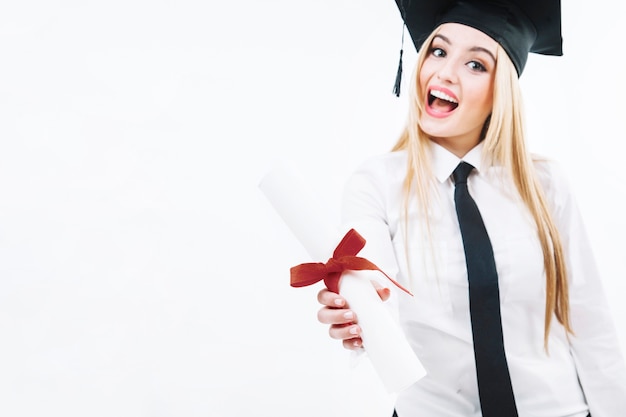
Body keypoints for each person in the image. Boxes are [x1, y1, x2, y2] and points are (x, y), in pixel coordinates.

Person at [315, 0, 626, 416]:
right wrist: (359, 315)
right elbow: (376, 289)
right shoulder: (377, 184)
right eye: (439, 51)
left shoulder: (545, 186)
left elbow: (590, 326)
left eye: (475, 65)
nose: (444, 72)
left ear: (503, 92)